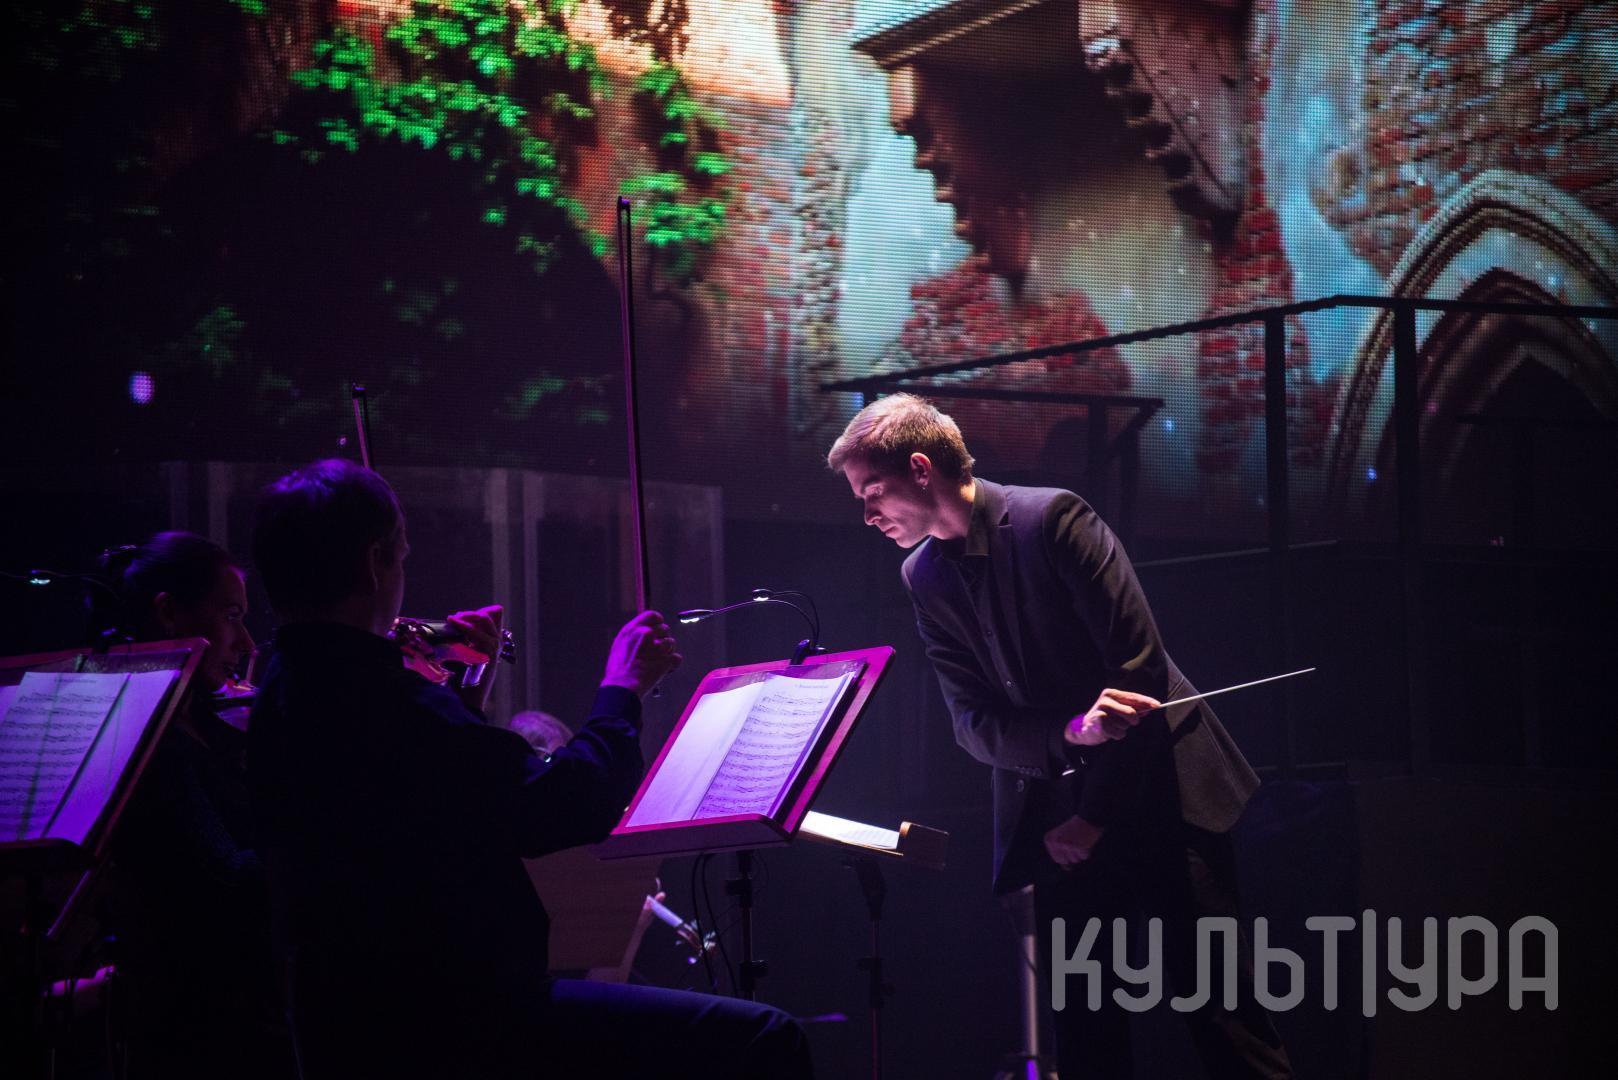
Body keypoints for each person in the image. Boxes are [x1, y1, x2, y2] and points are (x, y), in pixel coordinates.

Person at [247, 458, 811, 1079]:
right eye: (402, 558)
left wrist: (466, 690)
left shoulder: (281, 688)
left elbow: (434, 797)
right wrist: (622, 688)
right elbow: (564, 802)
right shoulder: (383, 696)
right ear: (372, 564)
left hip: (345, 1023)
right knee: (767, 1038)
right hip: (459, 1021)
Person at [826, 395, 1291, 1080]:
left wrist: (1093, 818)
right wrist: (1072, 735)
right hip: (1060, 819)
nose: (867, 515)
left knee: (1224, 1017)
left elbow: (1139, 671)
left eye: (873, 492)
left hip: (1162, 792)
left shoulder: (1053, 519)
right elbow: (972, 724)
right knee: (1085, 1032)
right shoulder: (922, 575)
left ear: (921, 469)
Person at [89, 532, 294, 1079]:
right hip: (204, 1032)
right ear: (169, 614)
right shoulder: (153, 746)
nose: (246, 642)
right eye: (231, 616)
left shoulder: (204, 729)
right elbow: (231, 877)